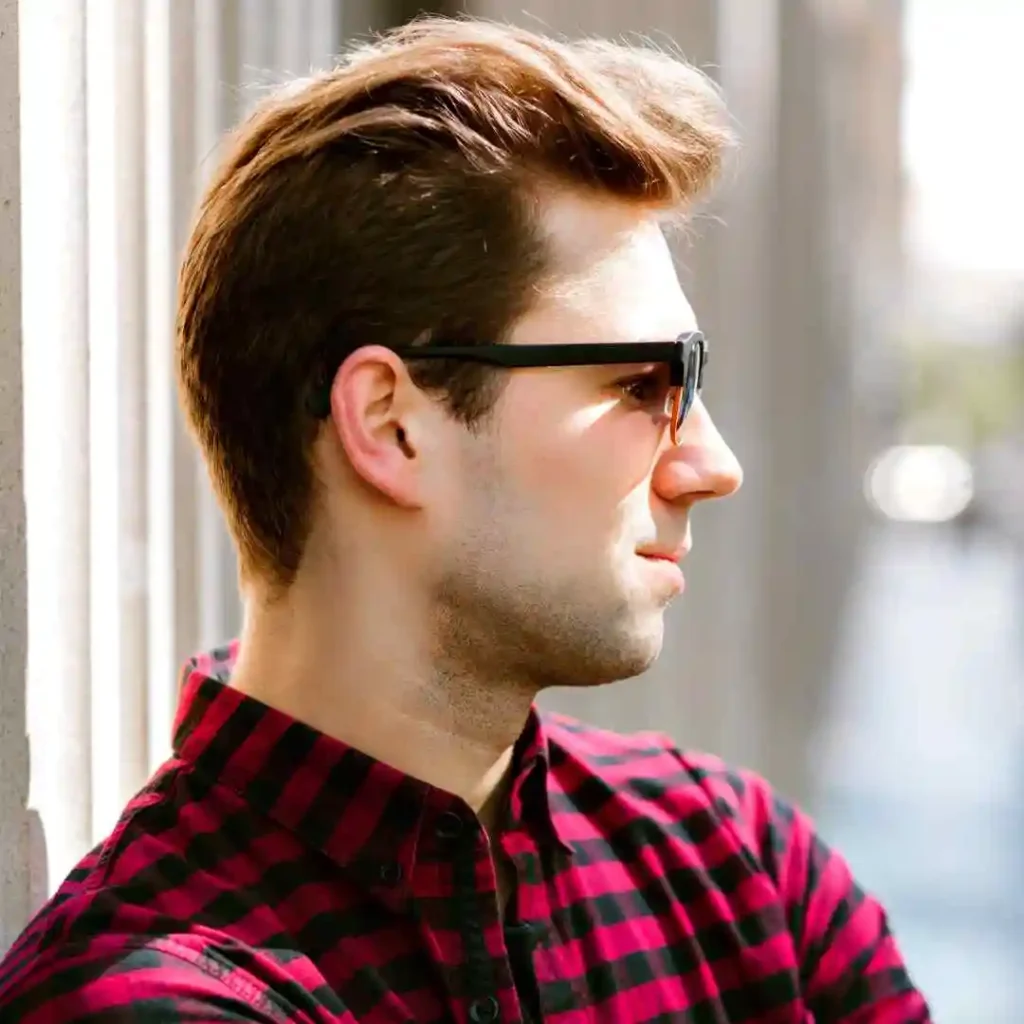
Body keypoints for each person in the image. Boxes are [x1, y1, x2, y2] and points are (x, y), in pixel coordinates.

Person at [0, 16, 930, 1023]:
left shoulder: (743, 872)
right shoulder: (155, 1001)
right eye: (638, 384)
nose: (712, 466)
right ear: (391, 426)